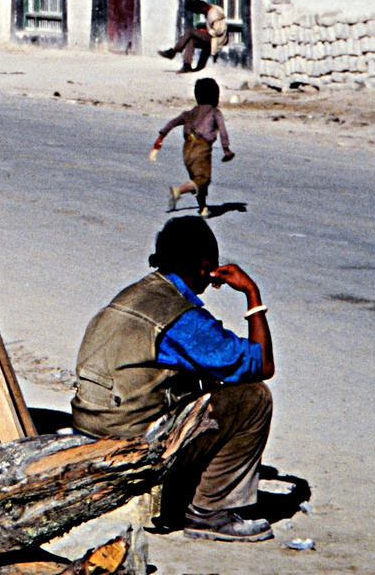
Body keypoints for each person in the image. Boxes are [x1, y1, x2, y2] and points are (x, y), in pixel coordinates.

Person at [71, 216, 276, 542]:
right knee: (253, 397)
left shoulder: (136, 294)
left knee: (210, 382)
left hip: (89, 428)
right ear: (207, 265)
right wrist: (252, 293)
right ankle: (209, 513)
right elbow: (262, 364)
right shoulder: (181, 318)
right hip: (129, 443)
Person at [152, 76, 234, 212]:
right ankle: (177, 191)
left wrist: (161, 135)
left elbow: (171, 123)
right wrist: (226, 149)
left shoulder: (188, 113)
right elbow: (223, 132)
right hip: (201, 148)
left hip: (187, 149)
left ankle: (203, 208)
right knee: (203, 178)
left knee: (197, 179)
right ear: (215, 97)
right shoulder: (215, 112)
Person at [159, 0, 227, 72]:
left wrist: (206, 31)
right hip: (211, 37)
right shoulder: (210, 12)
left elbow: (219, 31)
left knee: (190, 32)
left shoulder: (214, 13)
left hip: (216, 39)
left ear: (203, 8)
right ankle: (187, 65)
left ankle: (173, 51)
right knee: (191, 40)